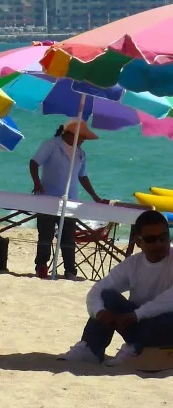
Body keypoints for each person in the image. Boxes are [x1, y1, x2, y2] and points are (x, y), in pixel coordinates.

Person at [60, 210, 173, 364]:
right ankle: (91, 349)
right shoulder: (132, 264)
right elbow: (97, 290)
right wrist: (100, 313)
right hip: (137, 324)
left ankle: (135, 347)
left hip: (165, 326)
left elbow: (169, 300)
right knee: (107, 296)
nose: (159, 243)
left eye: (164, 237)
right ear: (138, 242)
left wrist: (136, 315)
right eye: (151, 239)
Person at [29, 119, 106, 279]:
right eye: (82, 137)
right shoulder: (51, 144)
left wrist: (95, 197)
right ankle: (42, 266)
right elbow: (34, 163)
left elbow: (82, 177)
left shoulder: (80, 153)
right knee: (46, 235)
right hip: (47, 197)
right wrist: (37, 183)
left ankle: (70, 270)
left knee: (68, 237)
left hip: (70, 200)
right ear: (71, 134)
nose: (83, 140)